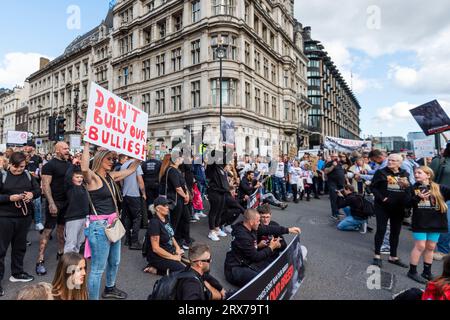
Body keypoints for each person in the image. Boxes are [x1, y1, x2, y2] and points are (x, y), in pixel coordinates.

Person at [81, 139, 141, 300]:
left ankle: (110, 288)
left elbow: (132, 169)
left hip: (114, 225)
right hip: (99, 227)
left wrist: (139, 153)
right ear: (100, 159)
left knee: (115, 262)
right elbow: (84, 168)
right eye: (109, 158)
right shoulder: (93, 178)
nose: (112, 161)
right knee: (97, 268)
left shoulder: (111, 176)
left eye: (114, 159)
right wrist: (86, 144)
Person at [224, 209, 301, 288]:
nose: (260, 223)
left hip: (247, 261)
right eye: (258, 221)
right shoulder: (243, 236)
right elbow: (256, 257)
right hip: (235, 269)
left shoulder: (250, 226)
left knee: (272, 270)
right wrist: (271, 247)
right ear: (251, 222)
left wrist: (288, 230)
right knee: (265, 283)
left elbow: (268, 229)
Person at [0, 152, 41, 297]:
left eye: (22, 167)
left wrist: (32, 195)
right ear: (10, 163)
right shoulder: (2, 176)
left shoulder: (28, 175)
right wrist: (9, 198)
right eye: (16, 166)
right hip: (4, 218)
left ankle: (17, 273)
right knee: (1, 250)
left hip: (23, 217)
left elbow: (37, 190)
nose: (18, 169)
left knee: (20, 247)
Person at [407, 166, 450, 284]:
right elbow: (406, 204)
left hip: (436, 222)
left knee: (431, 247)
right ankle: (412, 271)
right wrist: (417, 197)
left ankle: (427, 272)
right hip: (420, 222)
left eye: (419, 173)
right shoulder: (413, 188)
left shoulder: (439, 188)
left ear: (428, 175)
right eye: (415, 173)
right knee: (420, 246)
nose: (416, 175)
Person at [36, 142, 72, 276]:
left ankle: (61, 253)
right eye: (65, 148)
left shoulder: (69, 165)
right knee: (48, 230)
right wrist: (51, 203)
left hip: (66, 203)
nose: (67, 150)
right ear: (57, 150)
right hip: (54, 202)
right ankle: (40, 259)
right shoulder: (49, 165)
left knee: (62, 230)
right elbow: (45, 185)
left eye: (68, 148)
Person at [371, 153, 412, 268]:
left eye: (394, 161)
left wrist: (407, 185)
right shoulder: (381, 172)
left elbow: (409, 190)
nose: (390, 162)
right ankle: (377, 255)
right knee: (381, 230)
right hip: (382, 206)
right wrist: (382, 198)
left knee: (395, 232)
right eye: (389, 160)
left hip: (398, 207)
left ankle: (393, 256)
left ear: (400, 163)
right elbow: (373, 187)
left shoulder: (404, 173)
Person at [143, 197, 185, 275]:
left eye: (167, 205)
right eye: (165, 205)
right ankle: (155, 269)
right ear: (158, 208)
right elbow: (156, 248)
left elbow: (171, 236)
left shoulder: (165, 218)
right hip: (157, 257)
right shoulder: (154, 223)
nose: (167, 207)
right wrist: (173, 257)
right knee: (183, 271)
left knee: (192, 266)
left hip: (168, 250)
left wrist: (177, 248)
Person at [159, 154, 191, 247]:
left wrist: (187, 194)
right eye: (180, 157)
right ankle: (170, 243)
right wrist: (185, 196)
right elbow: (177, 187)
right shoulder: (171, 170)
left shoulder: (177, 170)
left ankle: (183, 239)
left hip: (181, 199)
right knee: (174, 222)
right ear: (176, 160)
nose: (182, 158)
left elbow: (183, 184)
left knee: (186, 218)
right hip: (175, 200)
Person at [429, 143, 450, 261]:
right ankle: (443, 251)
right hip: (443, 197)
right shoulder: (440, 161)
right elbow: (428, 178)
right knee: (447, 223)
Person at [120, 157, 145, 250]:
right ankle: (134, 242)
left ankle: (128, 239)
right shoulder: (136, 165)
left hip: (126, 194)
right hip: (134, 194)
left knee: (128, 217)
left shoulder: (123, 165)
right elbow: (140, 182)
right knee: (137, 218)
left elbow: (121, 180)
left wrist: (124, 189)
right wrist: (144, 193)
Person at [63, 168, 89, 254]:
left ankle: (74, 262)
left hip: (84, 217)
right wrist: (73, 165)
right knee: (71, 244)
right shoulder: (70, 187)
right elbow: (67, 176)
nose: (80, 179)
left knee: (79, 242)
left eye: (81, 177)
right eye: (77, 177)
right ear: (71, 178)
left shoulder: (84, 186)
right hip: (73, 218)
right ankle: (67, 265)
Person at [205, 153, 230, 242]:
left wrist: (227, 149)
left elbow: (226, 157)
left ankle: (217, 228)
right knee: (214, 212)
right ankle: (211, 232)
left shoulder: (220, 167)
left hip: (222, 192)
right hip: (214, 192)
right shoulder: (211, 167)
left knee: (220, 211)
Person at [26, 144, 44, 231]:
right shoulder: (23, 157)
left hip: (35, 183)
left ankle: (38, 222)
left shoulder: (38, 158)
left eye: (28, 146)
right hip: (25, 185)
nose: (26, 147)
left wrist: (40, 180)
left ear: (32, 148)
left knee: (37, 204)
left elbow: (41, 170)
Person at [324, 153, 346, 220]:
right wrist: (333, 166)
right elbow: (326, 171)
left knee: (339, 198)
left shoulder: (340, 163)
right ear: (331, 157)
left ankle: (337, 211)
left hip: (340, 183)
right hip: (333, 183)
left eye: (337, 156)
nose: (336, 157)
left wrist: (346, 181)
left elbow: (343, 173)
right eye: (334, 156)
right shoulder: (329, 163)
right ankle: (334, 214)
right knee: (334, 198)